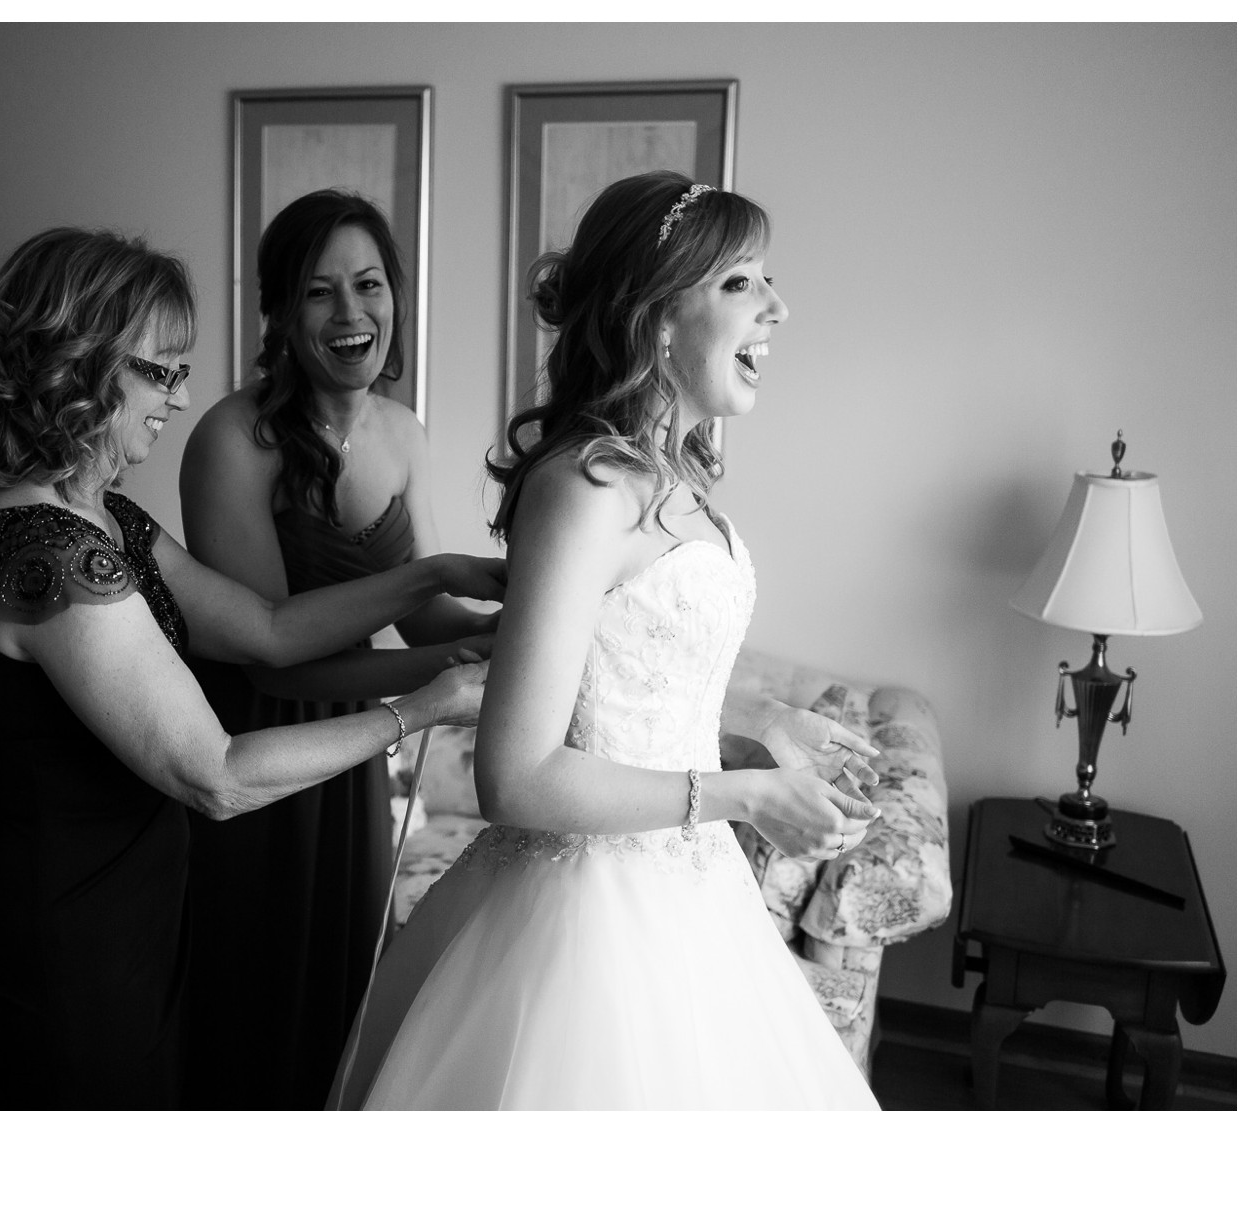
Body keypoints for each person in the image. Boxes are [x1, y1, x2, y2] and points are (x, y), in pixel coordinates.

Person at [329, 172, 885, 1110]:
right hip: (573, 924)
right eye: (743, 283)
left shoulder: (675, 476)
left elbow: (626, 711)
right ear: (657, 317)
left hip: (692, 903)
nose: (780, 309)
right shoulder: (582, 490)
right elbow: (520, 776)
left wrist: (761, 736)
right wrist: (742, 793)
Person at [0, 227, 501, 1109]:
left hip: (133, 902)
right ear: (78, 365)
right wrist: (422, 707)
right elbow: (217, 774)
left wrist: (439, 573)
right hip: (52, 934)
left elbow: (269, 627)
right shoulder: (42, 558)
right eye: (159, 371)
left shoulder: (107, 520)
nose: (182, 394)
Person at [177, 189, 497, 1109]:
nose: (352, 314)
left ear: (397, 296)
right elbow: (270, 655)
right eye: (320, 293)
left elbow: (433, 619)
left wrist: (512, 626)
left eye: (369, 285)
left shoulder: (404, 433)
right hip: (254, 740)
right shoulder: (232, 440)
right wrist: (440, 667)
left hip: (355, 748)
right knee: (245, 989)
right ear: (280, 312)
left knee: (338, 974)